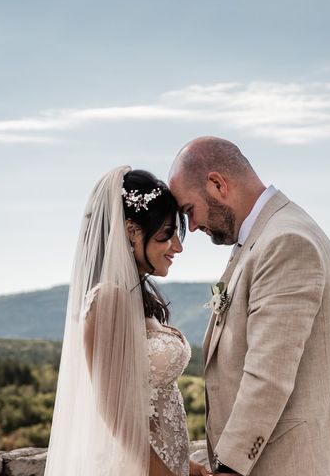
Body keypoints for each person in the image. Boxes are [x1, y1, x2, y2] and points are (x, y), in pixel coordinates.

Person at [169, 137, 330, 476]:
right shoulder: (262, 237)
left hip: (297, 462)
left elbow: (269, 372)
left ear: (217, 184)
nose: (191, 226)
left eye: (189, 210)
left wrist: (231, 467)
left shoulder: (285, 241)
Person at [44, 166, 210, 476]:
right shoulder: (107, 299)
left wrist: (184, 465)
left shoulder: (137, 297)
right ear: (132, 231)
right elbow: (115, 415)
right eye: (166, 234)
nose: (178, 246)